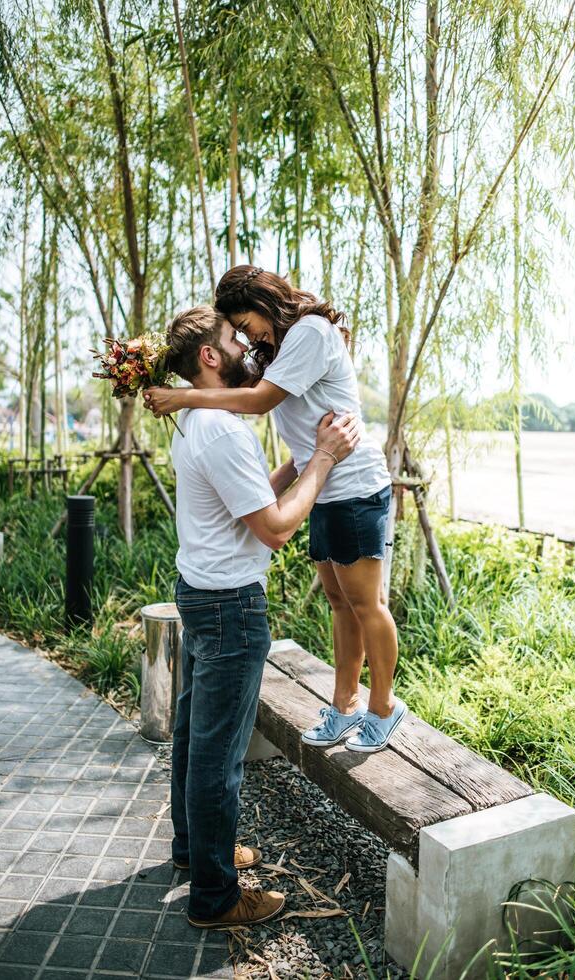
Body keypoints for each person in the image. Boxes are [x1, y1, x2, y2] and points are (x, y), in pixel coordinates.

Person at [144, 267, 407, 755]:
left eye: (246, 324)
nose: (248, 337)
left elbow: (261, 402)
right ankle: (344, 705)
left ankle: (384, 708)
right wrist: (305, 463)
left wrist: (182, 396)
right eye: (239, 333)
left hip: (352, 484)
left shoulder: (309, 331)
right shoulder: (279, 348)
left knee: (367, 604)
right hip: (324, 486)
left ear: (264, 301)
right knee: (339, 602)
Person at [158, 305, 360, 930]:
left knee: (195, 736)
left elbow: (244, 498)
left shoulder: (198, 418)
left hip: (200, 592)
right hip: (230, 609)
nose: (246, 345)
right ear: (211, 358)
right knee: (218, 756)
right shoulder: (221, 429)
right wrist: (324, 459)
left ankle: (196, 852)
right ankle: (216, 897)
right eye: (233, 338)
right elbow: (272, 527)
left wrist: (298, 464)